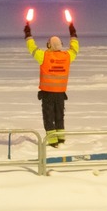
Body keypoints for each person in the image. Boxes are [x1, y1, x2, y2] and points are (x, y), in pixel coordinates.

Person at [24, 20, 79, 148]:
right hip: (60, 94)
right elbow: (75, 48)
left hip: (48, 94)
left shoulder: (43, 56)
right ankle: (61, 140)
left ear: (49, 45)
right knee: (59, 116)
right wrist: (73, 32)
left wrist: (28, 34)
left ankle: (53, 142)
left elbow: (32, 47)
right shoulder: (67, 56)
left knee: (49, 117)